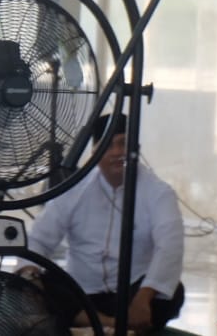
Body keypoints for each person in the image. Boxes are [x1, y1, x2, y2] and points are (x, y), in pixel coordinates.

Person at [26, 113, 185, 334]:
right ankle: (113, 326)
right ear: (95, 153)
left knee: (173, 292)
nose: (117, 152)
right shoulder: (75, 189)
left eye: (123, 144)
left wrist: (144, 297)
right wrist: (29, 272)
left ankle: (93, 327)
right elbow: (39, 239)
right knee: (43, 285)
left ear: (136, 149)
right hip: (82, 294)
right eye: (108, 146)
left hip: (132, 295)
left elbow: (169, 247)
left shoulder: (158, 193)